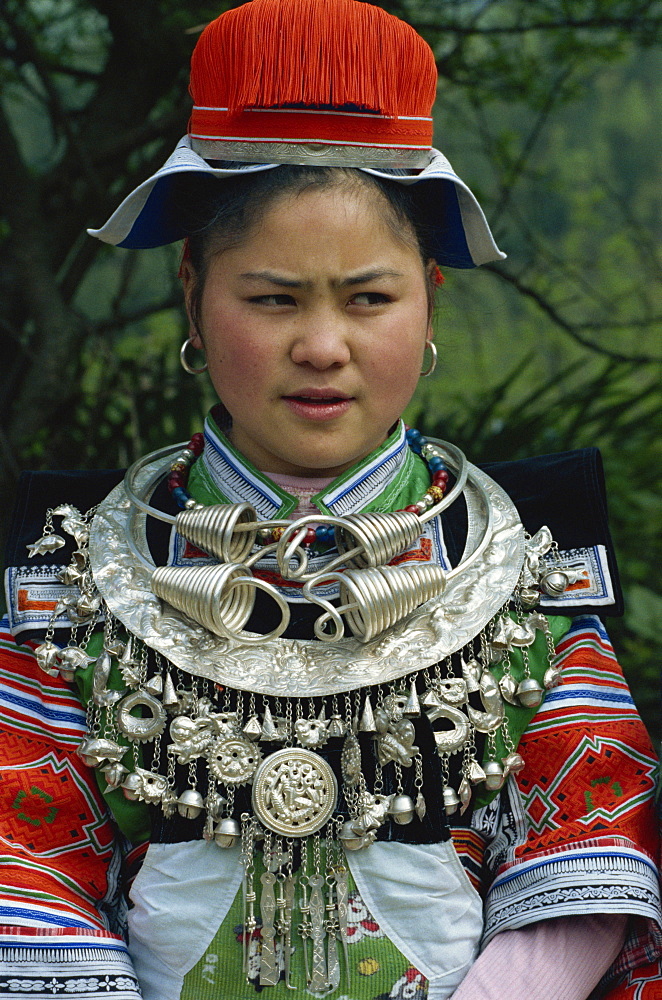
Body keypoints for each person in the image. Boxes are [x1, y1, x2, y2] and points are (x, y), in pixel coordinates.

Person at [1, 2, 660, 999]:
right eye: (272, 299)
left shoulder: (524, 568)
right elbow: (25, 864)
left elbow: (588, 834)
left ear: (429, 296)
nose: (320, 346)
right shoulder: (78, 582)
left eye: (367, 298)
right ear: (192, 292)